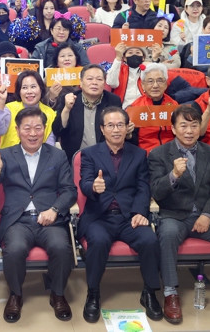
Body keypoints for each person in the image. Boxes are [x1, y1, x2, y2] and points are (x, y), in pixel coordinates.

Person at [149, 104, 210, 324]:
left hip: (205, 216)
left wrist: (208, 215)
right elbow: (156, 192)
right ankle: (170, 293)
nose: (189, 131)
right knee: (167, 235)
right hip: (174, 215)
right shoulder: (158, 154)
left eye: (194, 125)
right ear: (173, 129)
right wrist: (174, 175)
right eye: (183, 125)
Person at [0, 107, 76, 322]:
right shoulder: (6, 155)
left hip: (49, 218)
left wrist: (54, 210)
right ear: (17, 130)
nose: (33, 133)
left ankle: (57, 293)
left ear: (45, 129)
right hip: (18, 220)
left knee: (61, 247)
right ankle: (15, 294)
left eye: (38, 128)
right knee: (14, 249)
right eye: (27, 128)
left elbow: (69, 190)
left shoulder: (58, 155)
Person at [78, 106, 163, 322]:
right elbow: (84, 182)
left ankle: (150, 292)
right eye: (110, 125)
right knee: (98, 241)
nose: (115, 130)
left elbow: (143, 187)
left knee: (150, 240)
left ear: (127, 128)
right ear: (102, 129)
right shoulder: (89, 153)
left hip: (128, 217)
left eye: (120, 125)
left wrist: (140, 212)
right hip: (100, 216)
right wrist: (93, 187)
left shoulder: (139, 154)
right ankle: (93, 293)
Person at [52, 64, 122, 164]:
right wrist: (67, 109)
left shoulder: (113, 100)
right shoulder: (68, 98)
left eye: (99, 79)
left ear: (104, 83)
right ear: (80, 82)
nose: (94, 83)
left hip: (107, 159)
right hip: (75, 160)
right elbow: (58, 131)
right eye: (89, 79)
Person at [0, 71, 57, 149]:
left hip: (39, 156)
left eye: (33, 87)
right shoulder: (9, 108)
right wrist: (2, 101)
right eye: (24, 88)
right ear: (19, 91)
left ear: (41, 89)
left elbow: (50, 146)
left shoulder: (50, 113)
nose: (29, 92)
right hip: (10, 155)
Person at [128, 63, 178, 153]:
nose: (155, 85)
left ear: (166, 84)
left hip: (171, 153)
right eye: (150, 81)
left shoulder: (174, 105)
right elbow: (132, 141)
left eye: (159, 81)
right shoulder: (135, 108)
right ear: (143, 85)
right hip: (145, 154)